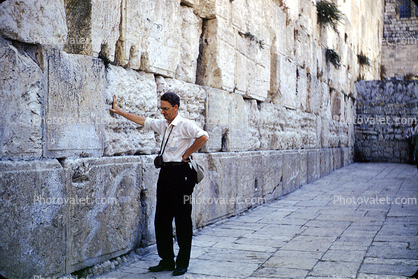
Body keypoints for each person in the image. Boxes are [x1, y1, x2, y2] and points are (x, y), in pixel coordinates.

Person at [109, 92, 209, 276]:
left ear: (175, 107)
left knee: (182, 219)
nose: (162, 112)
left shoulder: (185, 124)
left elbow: (203, 137)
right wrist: (119, 111)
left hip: (182, 174)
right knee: (161, 218)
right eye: (161, 108)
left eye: (166, 109)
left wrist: (186, 154)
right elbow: (142, 121)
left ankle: (182, 262)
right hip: (166, 173)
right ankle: (167, 260)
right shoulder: (163, 125)